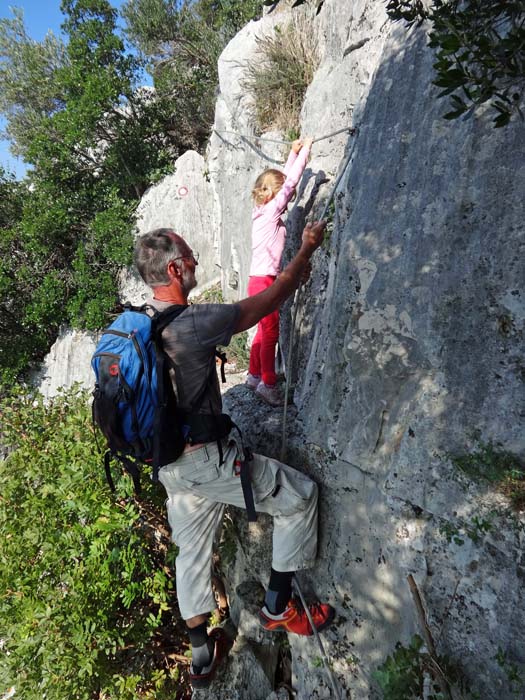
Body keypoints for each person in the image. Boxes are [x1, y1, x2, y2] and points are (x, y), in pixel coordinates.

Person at [134, 220, 334, 691]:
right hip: (206, 461)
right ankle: (277, 607)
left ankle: (201, 654)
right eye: (190, 257)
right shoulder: (192, 323)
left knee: (192, 552)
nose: (197, 262)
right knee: (299, 496)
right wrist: (304, 251)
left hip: (170, 468)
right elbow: (262, 304)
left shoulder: (139, 321)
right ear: (175, 268)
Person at [246, 137, 313, 406]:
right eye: (285, 199)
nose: (288, 202)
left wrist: (291, 153)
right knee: (271, 332)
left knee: (263, 331)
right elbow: (289, 183)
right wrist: (305, 151)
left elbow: (280, 184)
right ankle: (268, 383)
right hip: (264, 280)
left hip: (258, 279)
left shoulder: (262, 211)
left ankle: (253, 376)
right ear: (274, 196)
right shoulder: (272, 212)